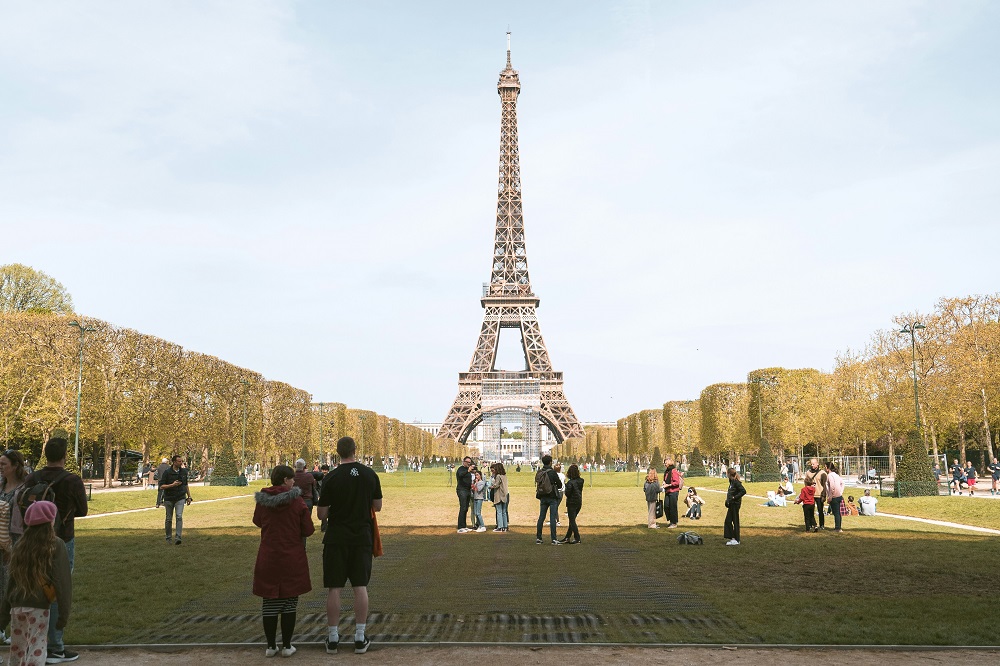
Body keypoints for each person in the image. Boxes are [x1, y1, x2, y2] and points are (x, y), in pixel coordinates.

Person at [21, 435, 86, 664]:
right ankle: (56, 646)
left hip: (33, 539)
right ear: (65, 456)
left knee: (35, 587)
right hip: (62, 538)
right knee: (57, 588)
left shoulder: (32, 478)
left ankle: (34, 640)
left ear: (45, 454)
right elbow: (83, 511)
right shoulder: (72, 480)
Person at [316, 437, 382, 655]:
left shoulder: (331, 477)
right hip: (361, 536)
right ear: (356, 450)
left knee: (334, 588)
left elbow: (321, 514)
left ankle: (333, 638)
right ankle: (360, 637)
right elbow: (377, 506)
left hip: (336, 537)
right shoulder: (369, 474)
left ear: (337, 452)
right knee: (360, 586)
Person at [0, 501, 72, 666]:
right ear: (51, 520)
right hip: (39, 607)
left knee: (17, 650)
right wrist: (63, 616)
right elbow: (63, 582)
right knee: (37, 648)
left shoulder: (19, 546)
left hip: (17, 607)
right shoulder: (56, 544)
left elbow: (10, 583)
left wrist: (3, 617)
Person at [253, 465, 314, 657]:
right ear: (286, 480)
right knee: (289, 601)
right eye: (291, 479)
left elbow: (257, 521)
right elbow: (308, 529)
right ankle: (287, 645)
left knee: (269, 602)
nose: (294, 481)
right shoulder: (297, 502)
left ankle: (271, 646)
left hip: (268, 555)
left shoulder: (263, 501)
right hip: (291, 555)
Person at [0, 449, 28, 644]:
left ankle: (16, 630)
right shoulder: (0, 485)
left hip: (16, 543)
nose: (0, 467)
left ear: (16, 466)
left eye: (4, 464)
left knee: (14, 587)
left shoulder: (25, 489)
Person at [159, 454, 192, 545]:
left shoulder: (183, 472)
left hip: (180, 498)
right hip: (169, 498)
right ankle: (168, 538)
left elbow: (186, 485)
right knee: (169, 519)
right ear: (174, 462)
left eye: (181, 461)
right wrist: (172, 485)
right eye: (179, 461)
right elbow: (161, 486)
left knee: (179, 516)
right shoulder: (167, 472)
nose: (181, 463)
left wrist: (189, 497)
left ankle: (178, 537)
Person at [534, 455, 562, 545]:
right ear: (550, 462)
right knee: (552, 517)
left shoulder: (540, 472)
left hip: (542, 496)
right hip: (552, 496)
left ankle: (539, 538)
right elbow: (560, 485)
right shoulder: (552, 472)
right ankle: (553, 538)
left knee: (541, 517)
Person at [559, 464, 584, 544]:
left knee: (572, 520)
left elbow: (568, 494)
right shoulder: (581, 481)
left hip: (571, 503)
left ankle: (577, 538)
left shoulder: (570, 483)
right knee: (572, 520)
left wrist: (566, 487)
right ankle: (567, 537)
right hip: (578, 502)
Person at [803, 459, 828, 530]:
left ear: (817, 464)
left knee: (820, 510)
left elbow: (825, 485)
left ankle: (822, 525)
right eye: (811, 464)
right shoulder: (808, 472)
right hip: (810, 495)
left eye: (813, 464)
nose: (812, 465)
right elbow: (806, 483)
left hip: (819, 495)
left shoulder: (822, 473)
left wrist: (824, 495)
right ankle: (812, 524)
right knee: (810, 511)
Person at [724, 468, 746, 546]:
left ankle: (737, 539)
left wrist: (734, 498)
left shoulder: (736, 482)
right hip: (731, 504)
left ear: (729, 474)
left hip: (735, 504)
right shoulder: (731, 482)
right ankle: (732, 538)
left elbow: (743, 491)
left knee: (735, 521)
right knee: (728, 521)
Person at [825, 462, 845, 532]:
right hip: (839, 495)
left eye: (825, 467)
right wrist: (840, 492)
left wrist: (830, 496)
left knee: (836, 513)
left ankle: (837, 528)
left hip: (834, 497)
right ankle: (838, 527)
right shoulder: (836, 475)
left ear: (828, 468)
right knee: (838, 513)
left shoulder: (830, 475)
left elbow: (832, 486)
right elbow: (842, 483)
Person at [662, 460, 683, 528]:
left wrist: (668, 485)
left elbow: (676, 482)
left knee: (673, 507)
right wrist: (664, 482)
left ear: (669, 464)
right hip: (668, 491)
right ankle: (671, 520)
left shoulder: (673, 471)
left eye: (666, 463)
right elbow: (665, 479)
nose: (664, 464)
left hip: (674, 491)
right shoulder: (667, 471)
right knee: (666, 506)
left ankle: (674, 523)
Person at [455, 456, 473, 533]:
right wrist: (468, 471)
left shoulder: (467, 470)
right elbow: (461, 475)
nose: (469, 463)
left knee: (466, 508)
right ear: (464, 462)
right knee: (463, 507)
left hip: (468, 490)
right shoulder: (461, 469)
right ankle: (460, 526)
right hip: (462, 490)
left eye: (470, 462)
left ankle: (464, 525)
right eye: (467, 462)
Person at [490, 463, 509, 532]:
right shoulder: (504, 476)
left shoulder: (498, 476)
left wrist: (491, 486)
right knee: (504, 511)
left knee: (499, 511)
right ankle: (505, 526)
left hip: (498, 495)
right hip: (505, 495)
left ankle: (500, 527)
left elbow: (496, 485)